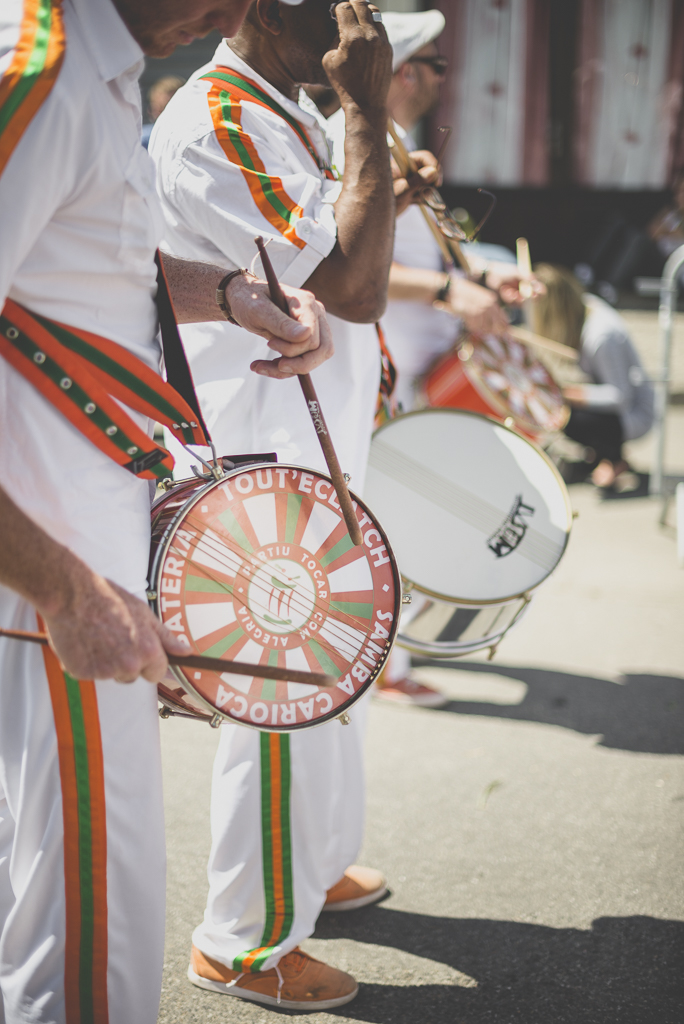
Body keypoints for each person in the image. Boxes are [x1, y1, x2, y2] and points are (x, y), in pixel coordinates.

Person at [0, 0, 331, 1020]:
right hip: (53, 578)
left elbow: (82, 275)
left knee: (76, 905)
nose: (232, 13)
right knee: (90, 932)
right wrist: (66, 588)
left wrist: (230, 292)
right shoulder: (40, 71)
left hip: (71, 563)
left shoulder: (88, 73)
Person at [149, 0, 435, 1009]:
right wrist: (364, 109)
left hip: (318, 442)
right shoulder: (220, 121)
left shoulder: (283, 107)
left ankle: (310, 868)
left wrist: (376, 157)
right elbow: (349, 287)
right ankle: (242, 943)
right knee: (283, 701)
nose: (361, 18)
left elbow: (341, 244)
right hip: (265, 451)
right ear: (271, 9)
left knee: (334, 685)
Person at [323, 10, 535, 706]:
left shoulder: (393, 139)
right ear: (406, 69)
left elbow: (404, 252)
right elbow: (339, 266)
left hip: (409, 365)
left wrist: (476, 281)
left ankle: (386, 657)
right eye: (439, 63)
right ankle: (373, 660)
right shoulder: (352, 139)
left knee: (402, 512)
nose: (448, 75)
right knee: (389, 514)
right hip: (378, 365)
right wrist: (449, 289)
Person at [532, 264, 654, 490]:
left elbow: (619, 396)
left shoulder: (600, 335)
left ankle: (612, 458)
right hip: (621, 406)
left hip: (634, 412)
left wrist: (567, 394)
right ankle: (606, 457)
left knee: (564, 417)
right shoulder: (585, 307)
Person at [142, 75, 186, 148]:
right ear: (150, 111)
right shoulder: (141, 141)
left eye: (176, 108)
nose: (171, 117)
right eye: (162, 109)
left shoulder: (199, 140)